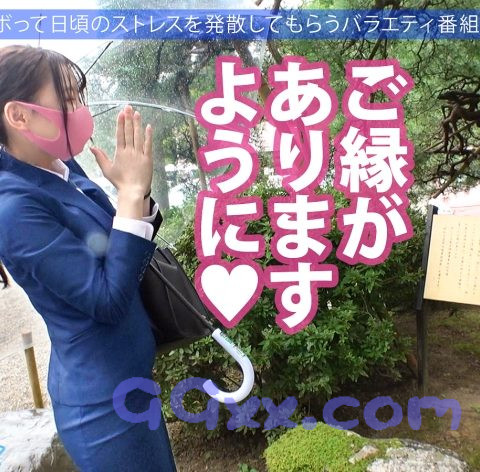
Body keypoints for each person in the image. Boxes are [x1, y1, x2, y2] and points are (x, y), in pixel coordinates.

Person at [0, 44, 177, 471]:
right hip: (103, 410)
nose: (80, 109)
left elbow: (118, 249)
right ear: (19, 116)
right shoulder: (13, 209)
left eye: (80, 95)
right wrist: (130, 195)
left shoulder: (64, 167)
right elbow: (105, 299)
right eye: (66, 99)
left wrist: (135, 196)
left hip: (131, 381)